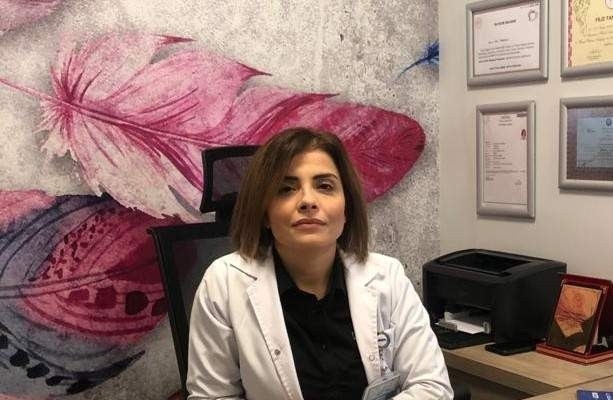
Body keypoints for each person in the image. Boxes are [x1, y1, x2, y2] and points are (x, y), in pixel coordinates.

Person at [186, 127, 453, 400]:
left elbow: (432, 386)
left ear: (346, 209)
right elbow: (212, 396)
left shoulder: (388, 277)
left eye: (324, 186)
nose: (308, 201)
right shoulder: (224, 283)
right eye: (286, 189)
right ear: (264, 213)